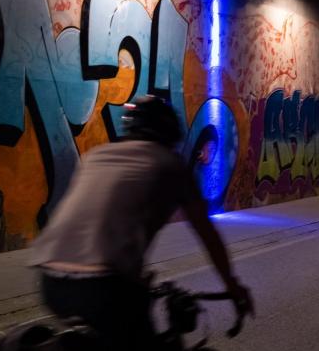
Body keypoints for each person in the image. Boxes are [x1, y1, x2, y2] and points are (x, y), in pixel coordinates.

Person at [28, 96, 254, 349]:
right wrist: (233, 286)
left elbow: (97, 219)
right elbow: (207, 234)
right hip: (105, 287)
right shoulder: (170, 164)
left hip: (49, 280)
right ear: (170, 132)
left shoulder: (96, 156)